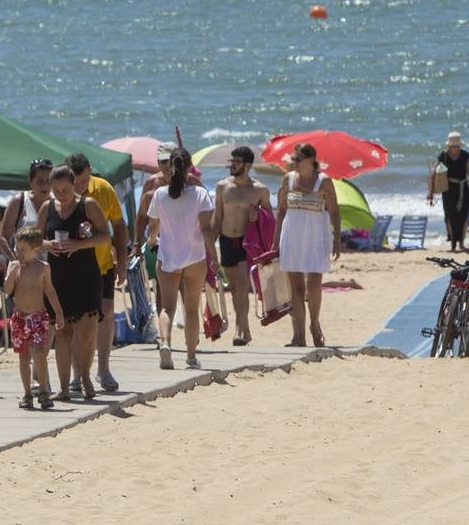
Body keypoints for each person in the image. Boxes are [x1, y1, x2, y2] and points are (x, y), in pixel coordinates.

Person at [36, 165, 110, 400]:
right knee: (63, 335)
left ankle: (85, 375)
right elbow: (36, 239)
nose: (61, 194)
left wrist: (78, 245)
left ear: (74, 185)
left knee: (86, 333)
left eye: (65, 189)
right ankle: (65, 388)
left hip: (86, 276)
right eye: (56, 190)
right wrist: (47, 245)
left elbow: (105, 235)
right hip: (57, 278)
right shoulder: (47, 208)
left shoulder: (87, 205)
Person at [147, 149, 216, 370]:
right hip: (195, 257)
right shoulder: (199, 194)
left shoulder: (159, 194)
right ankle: (191, 356)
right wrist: (213, 254)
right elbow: (206, 227)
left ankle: (165, 343)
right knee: (191, 309)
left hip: (168, 256)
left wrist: (151, 239)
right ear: (189, 168)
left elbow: (153, 225)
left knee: (167, 307)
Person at [66, 152, 129, 392]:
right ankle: (75, 375)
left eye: (83, 180)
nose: (79, 186)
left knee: (107, 313)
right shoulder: (61, 192)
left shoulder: (103, 189)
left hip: (102, 264)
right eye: (76, 181)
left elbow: (120, 226)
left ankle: (104, 369)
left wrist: (121, 263)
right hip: (71, 268)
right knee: (75, 321)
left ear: (90, 172)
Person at [273, 143, 342, 347]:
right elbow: (282, 211)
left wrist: (337, 238)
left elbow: (335, 211)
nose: (294, 162)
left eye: (298, 159)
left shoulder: (324, 181)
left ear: (312, 160)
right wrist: (275, 240)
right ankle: (298, 335)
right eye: (293, 159)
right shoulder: (288, 179)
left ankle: (314, 324)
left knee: (313, 286)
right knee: (295, 287)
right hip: (292, 233)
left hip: (316, 234)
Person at [212, 146, 272, 345]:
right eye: (231, 161)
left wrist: (258, 216)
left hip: (248, 242)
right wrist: (209, 246)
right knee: (234, 288)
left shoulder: (259, 189)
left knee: (242, 286)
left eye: (236, 161)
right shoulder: (222, 187)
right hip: (227, 240)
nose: (232, 165)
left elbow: (270, 219)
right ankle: (245, 331)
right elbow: (217, 217)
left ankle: (240, 329)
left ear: (247, 165)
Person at [5, 226, 65, 410]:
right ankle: (27, 393)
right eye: (17, 248)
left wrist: (59, 312)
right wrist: (11, 274)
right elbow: (7, 291)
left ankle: (44, 390)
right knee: (23, 357)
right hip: (20, 317)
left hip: (38, 317)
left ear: (36, 249)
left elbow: (50, 290)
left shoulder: (43, 268)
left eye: (22, 249)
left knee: (39, 353)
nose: (18, 252)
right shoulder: (16, 267)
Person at [428, 131, 469, 252]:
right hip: (448, 189)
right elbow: (434, 172)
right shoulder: (443, 156)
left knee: (463, 216)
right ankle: (453, 245)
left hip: (463, 188)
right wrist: (431, 192)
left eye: (457, 146)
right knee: (450, 217)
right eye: (453, 146)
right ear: (449, 146)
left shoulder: (465, 155)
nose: (456, 148)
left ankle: (462, 244)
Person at [0, 159, 54, 260]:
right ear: (30, 182)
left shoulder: (58, 202)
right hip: (23, 268)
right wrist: (14, 261)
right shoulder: (19, 201)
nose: (45, 185)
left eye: (49, 181)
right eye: (40, 181)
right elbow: (3, 238)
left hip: (50, 269)